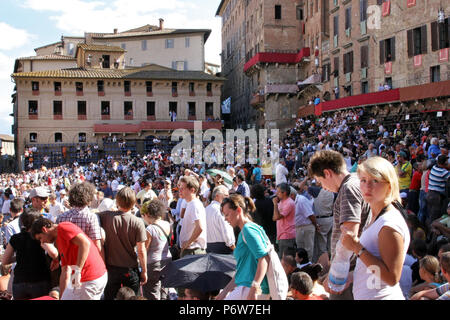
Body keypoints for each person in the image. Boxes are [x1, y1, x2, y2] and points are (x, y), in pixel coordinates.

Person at [340, 156, 411, 300]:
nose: (367, 187)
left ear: (389, 185)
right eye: (363, 180)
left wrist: (357, 247)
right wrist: (352, 277)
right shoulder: (378, 217)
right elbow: (374, 266)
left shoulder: (388, 224)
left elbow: (391, 277)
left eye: (375, 181)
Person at [308, 150, 371, 300]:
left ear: (327, 173)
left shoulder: (348, 189)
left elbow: (349, 236)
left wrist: (336, 274)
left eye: (320, 180)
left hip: (349, 271)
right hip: (356, 268)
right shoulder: (356, 181)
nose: (322, 187)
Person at [31, 218, 107, 300]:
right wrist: (56, 260)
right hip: (87, 279)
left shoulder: (63, 227)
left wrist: (78, 271)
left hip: (90, 278)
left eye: (40, 238)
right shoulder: (59, 239)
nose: (42, 242)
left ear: (44, 229)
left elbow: (85, 243)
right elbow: (65, 271)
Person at [216, 194, 270, 300]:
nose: (225, 219)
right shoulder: (247, 230)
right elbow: (242, 270)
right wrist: (225, 292)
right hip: (247, 288)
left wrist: (254, 288)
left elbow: (264, 259)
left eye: (227, 214)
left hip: (250, 289)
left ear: (238, 210)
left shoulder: (248, 230)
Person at [98, 187, 148, 300]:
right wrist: (144, 271)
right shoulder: (138, 222)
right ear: (134, 202)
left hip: (111, 268)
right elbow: (141, 250)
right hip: (130, 269)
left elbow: (94, 213)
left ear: (117, 201)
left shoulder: (105, 216)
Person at [1, 209, 54, 300]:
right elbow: (53, 253)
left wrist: (18, 257)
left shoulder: (16, 238)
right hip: (40, 279)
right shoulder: (41, 237)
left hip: (20, 281)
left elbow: (5, 260)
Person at [56, 182, 104, 260]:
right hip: (87, 259)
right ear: (89, 198)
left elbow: (58, 243)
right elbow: (96, 244)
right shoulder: (91, 217)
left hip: (67, 259)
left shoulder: (61, 217)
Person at [140, 199, 172, 300]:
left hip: (153, 264)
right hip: (167, 261)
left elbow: (145, 250)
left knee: (151, 292)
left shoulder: (150, 229)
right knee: (164, 290)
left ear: (148, 214)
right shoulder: (167, 224)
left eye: (143, 215)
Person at [178, 176, 207, 257]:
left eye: (182, 188)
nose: (179, 191)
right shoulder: (192, 204)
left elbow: (199, 228)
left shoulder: (194, 204)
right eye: (179, 188)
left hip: (193, 251)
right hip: (191, 250)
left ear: (192, 190)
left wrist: (187, 244)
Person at [205, 185, 235, 254]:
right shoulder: (221, 209)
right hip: (223, 249)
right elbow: (227, 232)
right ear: (217, 196)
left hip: (209, 248)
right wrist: (233, 247)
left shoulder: (206, 209)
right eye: (226, 195)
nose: (228, 198)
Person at [293, 180, 319, 261]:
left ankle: (308, 266)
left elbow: (310, 215)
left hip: (306, 226)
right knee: (300, 249)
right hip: (299, 227)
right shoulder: (295, 200)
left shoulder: (302, 200)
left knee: (308, 249)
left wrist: (316, 225)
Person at [272, 182, 296, 258]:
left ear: (284, 193)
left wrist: (275, 204)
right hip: (281, 233)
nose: (276, 193)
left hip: (287, 234)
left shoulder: (289, 203)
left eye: (278, 192)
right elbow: (274, 218)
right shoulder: (281, 202)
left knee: (285, 258)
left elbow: (276, 217)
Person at [426, 154, 449, 226]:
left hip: (429, 194)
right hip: (436, 196)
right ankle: (431, 234)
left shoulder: (434, 167)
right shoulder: (443, 172)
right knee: (435, 216)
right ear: (445, 163)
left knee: (430, 215)